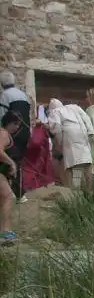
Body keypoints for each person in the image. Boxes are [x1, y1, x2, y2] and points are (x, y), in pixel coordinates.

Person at [47, 99, 94, 190]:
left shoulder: (56, 111)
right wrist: (91, 133)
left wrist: (59, 143)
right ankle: (89, 192)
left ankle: (77, 191)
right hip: (83, 136)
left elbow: (56, 128)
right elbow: (87, 119)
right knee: (86, 164)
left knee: (74, 166)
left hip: (70, 139)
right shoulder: (75, 107)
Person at [0, 71, 31, 200]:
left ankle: (16, 194)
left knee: (9, 162)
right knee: (17, 161)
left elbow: (2, 115)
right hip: (24, 132)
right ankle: (17, 192)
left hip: (12, 132)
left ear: (2, 83)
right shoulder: (23, 95)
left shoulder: (4, 96)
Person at [0, 112, 21, 241]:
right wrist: (11, 163)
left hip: (3, 173)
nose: (17, 127)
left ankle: (3, 231)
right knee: (9, 197)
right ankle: (6, 231)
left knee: (2, 200)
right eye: (16, 124)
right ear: (9, 123)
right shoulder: (3, 133)